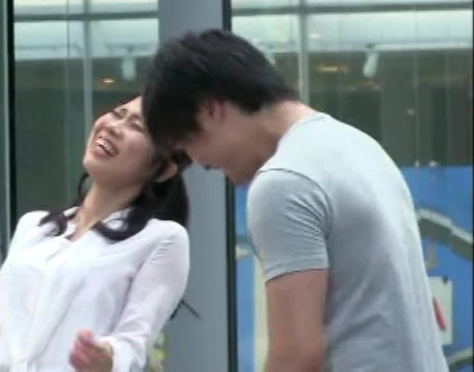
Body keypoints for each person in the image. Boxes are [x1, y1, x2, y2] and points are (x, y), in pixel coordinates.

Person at [142, 29, 447, 372]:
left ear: (211, 110)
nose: (200, 163)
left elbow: (296, 356)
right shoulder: (358, 146)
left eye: (187, 146)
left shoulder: (283, 181)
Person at [0, 95, 192, 371]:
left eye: (135, 126)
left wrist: (105, 357)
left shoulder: (162, 239)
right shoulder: (35, 227)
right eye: (117, 113)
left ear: (163, 169)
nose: (113, 126)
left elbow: (133, 345)